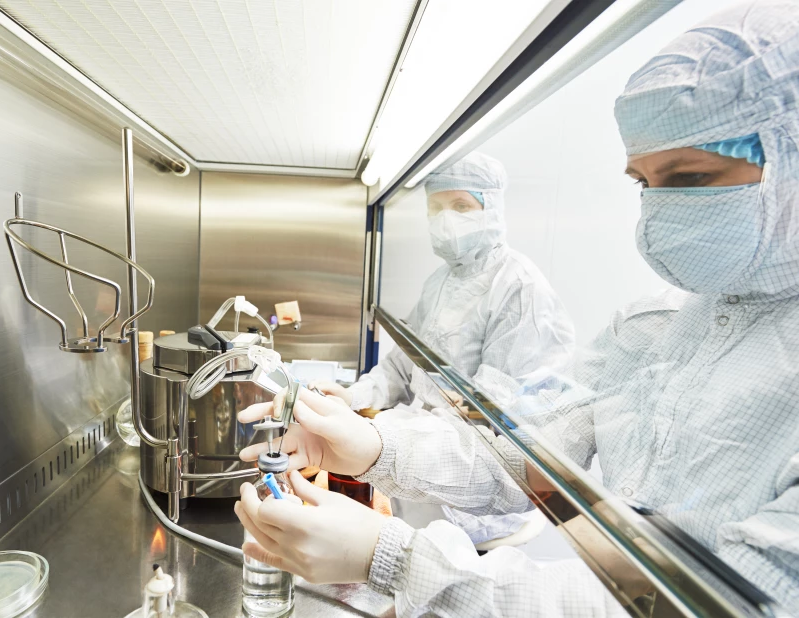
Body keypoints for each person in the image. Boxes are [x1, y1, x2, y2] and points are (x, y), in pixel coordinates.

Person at [234, 1, 799, 616]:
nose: (658, 215)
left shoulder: (523, 289)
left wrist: (395, 560)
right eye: (643, 182)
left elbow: (728, 605)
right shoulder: (658, 326)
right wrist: (373, 445)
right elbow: (527, 447)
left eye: (690, 178)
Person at [315, 152, 575, 544]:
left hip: (469, 503)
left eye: (461, 206)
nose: (446, 220)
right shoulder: (440, 283)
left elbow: (489, 419)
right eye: (436, 208)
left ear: (492, 209)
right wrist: (353, 396)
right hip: (416, 467)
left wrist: (376, 434)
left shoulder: (519, 289)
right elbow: (403, 364)